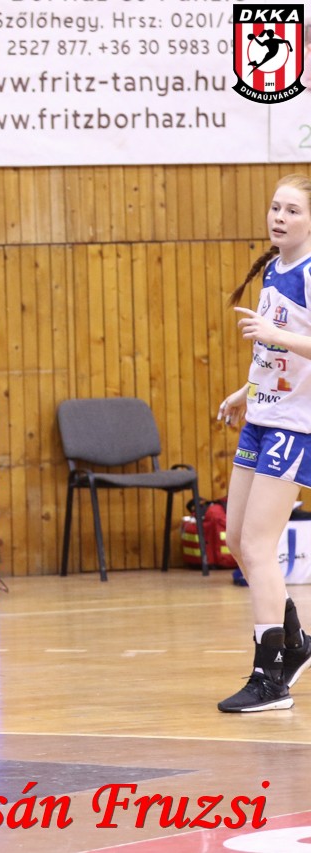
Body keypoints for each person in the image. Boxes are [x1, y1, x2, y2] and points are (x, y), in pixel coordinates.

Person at [216, 173, 311, 714]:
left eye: (293, 210)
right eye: (276, 207)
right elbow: (276, 357)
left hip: (295, 426)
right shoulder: (275, 268)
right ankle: (295, 643)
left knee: (258, 546)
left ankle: (270, 677)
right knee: (236, 539)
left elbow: (286, 341)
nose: (280, 217)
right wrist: (245, 390)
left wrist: (275, 337)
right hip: (262, 414)